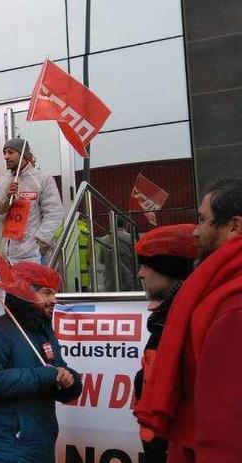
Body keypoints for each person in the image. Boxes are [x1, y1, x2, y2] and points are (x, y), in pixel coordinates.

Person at [135, 179, 242, 463]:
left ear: (234, 226)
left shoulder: (232, 307)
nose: (195, 231)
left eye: (203, 219)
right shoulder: (213, 294)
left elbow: (225, 426)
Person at [0, 262, 82, 463]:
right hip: (4, 451)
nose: (53, 300)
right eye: (47, 293)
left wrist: (70, 381)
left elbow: (58, 369)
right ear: (25, 294)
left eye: (54, 293)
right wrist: (46, 375)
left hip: (39, 446)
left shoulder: (44, 333)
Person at [129, 224, 197, 463]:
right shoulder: (169, 317)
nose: (140, 274)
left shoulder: (186, 321)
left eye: (146, 264)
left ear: (169, 267)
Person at [0, 138, 64, 265]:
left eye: (10, 152)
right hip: (5, 256)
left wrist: (42, 243)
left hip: (32, 257)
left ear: (23, 154)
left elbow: (54, 213)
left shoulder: (42, 179)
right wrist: (6, 200)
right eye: (4, 153)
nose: (6, 157)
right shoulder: (2, 182)